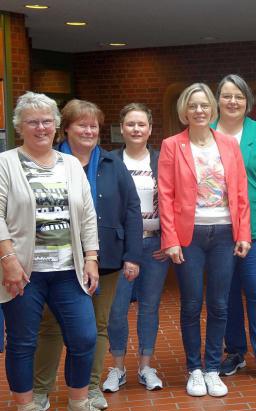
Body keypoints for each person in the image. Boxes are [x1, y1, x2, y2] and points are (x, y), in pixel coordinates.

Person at [0, 92, 115, 411]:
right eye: (33, 121)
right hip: (24, 273)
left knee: (83, 336)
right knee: (22, 342)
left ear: (56, 126)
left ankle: (79, 406)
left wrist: (92, 258)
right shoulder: (6, 163)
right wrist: (7, 259)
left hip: (69, 270)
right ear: (20, 126)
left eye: (47, 120)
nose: (41, 127)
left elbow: (88, 216)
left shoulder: (69, 165)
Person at [33, 99, 142, 411]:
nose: (89, 130)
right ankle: (41, 391)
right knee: (51, 325)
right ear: (65, 128)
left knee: (98, 325)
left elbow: (132, 209)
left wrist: (132, 255)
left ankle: (90, 388)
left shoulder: (111, 163)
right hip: (57, 257)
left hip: (106, 256)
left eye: (93, 125)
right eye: (82, 124)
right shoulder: (47, 163)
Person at [159, 83, 251, 397]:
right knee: (192, 303)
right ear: (184, 111)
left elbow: (240, 193)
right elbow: (166, 196)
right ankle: (194, 369)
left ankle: (212, 368)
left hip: (225, 233)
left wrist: (243, 234)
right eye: (193, 105)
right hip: (189, 236)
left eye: (204, 105)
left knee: (220, 303)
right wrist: (170, 239)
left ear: (212, 109)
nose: (199, 111)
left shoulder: (227, 144)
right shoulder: (172, 145)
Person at [212, 74, 256, 383]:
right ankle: (235, 352)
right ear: (218, 100)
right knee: (225, 295)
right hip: (216, 229)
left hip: (254, 228)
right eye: (227, 96)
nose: (232, 101)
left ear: (247, 101)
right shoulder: (206, 133)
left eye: (238, 96)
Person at [102, 103, 170, 393]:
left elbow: (173, 200)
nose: (136, 129)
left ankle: (145, 366)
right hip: (121, 249)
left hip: (155, 246)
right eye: (130, 124)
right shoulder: (110, 161)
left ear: (150, 129)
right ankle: (116, 367)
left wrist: (168, 239)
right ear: (121, 128)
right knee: (117, 310)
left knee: (149, 308)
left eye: (141, 124)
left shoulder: (161, 160)